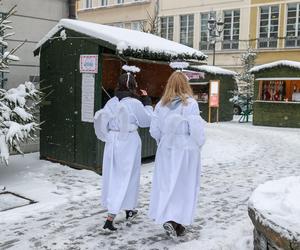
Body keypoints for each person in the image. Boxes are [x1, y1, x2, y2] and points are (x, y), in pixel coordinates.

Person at [148, 71, 205, 238]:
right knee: (184, 185)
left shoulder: (160, 105)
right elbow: (196, 129)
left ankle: (171, 218)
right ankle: (176, 220)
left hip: (166, 149)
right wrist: (199, 142)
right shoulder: (190, 104)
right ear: (186, 85)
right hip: (185, 149)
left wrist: (164, 140)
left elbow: (154, 130)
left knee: (167, 183)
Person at [94, 71, 153, 231]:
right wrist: (147, 102)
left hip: (112, 141)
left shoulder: (111, 102)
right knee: (126, 176)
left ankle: (129, 209)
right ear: (134, 86)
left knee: (114, 176)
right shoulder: (134, 103)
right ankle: (110, 217)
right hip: (128, 141)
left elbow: (104, 122)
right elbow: (147, 121)